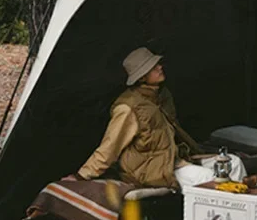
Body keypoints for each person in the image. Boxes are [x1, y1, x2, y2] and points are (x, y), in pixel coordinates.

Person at [68, 47, 246, 190]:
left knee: (234, 163)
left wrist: (196, 152)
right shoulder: (128, 107)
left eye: (158, 64)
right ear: (142, 76)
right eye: (153, 67)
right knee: (210, 179)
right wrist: (81, 175)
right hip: (148, 169)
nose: (160, 67)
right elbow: (110, 146)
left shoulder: (163, 96)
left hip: (174, 159)